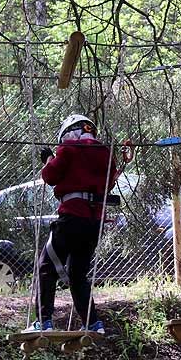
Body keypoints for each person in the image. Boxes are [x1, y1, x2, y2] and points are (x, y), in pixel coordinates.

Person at [32, 113, 119, 334]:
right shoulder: (105, 153)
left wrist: (49, 159)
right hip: (94, 222)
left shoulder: (69, 148)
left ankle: (44, 321)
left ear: (69, 133)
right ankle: (92, 323)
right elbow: (108, 183)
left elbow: (50, 175)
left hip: (72, 216)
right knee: (78, 273)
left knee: (46, 266)